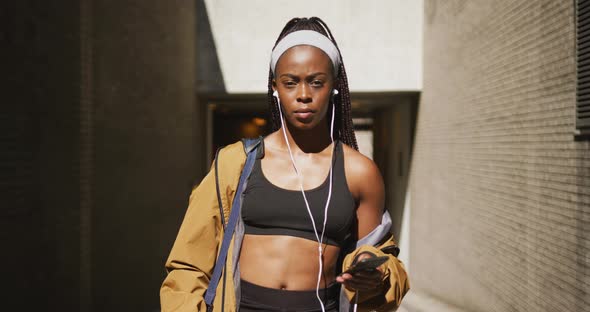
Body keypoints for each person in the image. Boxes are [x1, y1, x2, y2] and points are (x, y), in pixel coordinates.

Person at [160, 17, 409, 312]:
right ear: (276, 86)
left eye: (316, 82)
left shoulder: (359, 172)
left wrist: (373, 272)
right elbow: (189, 263)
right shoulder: (236, 163)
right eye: (291, 82)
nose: (303, 94)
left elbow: (380, 258)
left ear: (334, 86)